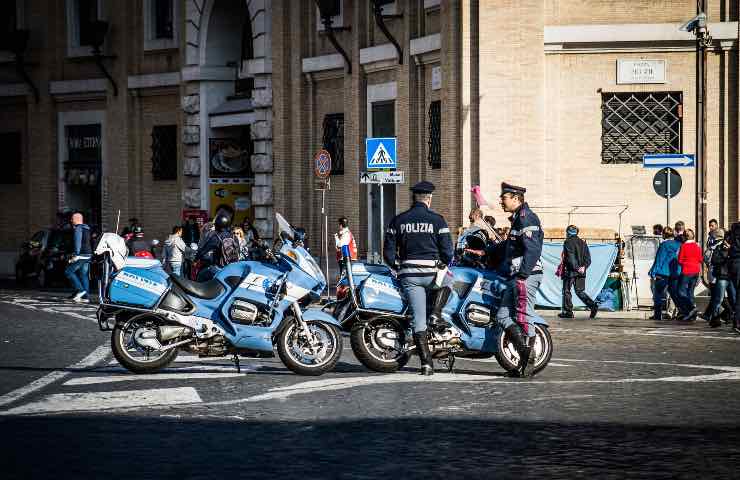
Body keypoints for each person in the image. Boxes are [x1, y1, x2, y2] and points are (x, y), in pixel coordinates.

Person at [384, 181, 453, 376]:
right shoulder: (438, 220)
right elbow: (448, 252)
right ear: (429, 199)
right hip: (432, 273)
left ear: (414, 197)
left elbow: (388, 253)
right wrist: (443, 262)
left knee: (418, 320)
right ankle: (437, 313)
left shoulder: (398, 220)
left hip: (409, 275)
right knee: (449, 281)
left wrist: (398, 266)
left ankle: (426, 364)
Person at [491, 183, 544, 378]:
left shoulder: (526, 218)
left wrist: (523, 273)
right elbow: (508, 246)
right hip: (516, 275)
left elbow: (533, 248)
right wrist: (485, 252)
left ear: (516, 198)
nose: (500, 201)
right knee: (503, 316)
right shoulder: (517, 220)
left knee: (523, 316)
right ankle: (524, 358)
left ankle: (528, 363)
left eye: (503, 198)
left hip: (525, 275)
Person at [558, 225, 599, 319]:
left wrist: (576, 268)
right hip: (581, 272)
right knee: (580, 291)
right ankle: (593, 306)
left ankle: (568, 312)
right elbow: (588, 259)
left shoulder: (568, 242)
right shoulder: (583, 243)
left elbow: (570, 257)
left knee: (566, 291)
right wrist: (584, 267)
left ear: (568, 232)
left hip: (570, 272)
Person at [702, 229, 736, 327]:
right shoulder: (719, 248)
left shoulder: (734, 248)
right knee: (719, 299)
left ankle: (732, 317)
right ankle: (715, 319)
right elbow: (715, 260)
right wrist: (725, 252)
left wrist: (730, 251)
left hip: (732, 276)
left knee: (733, 299)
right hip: (723, 276)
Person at [648, 227, 682, 320]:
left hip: (663, 273)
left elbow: (660, 259)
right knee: (674, 294)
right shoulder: (679, 244)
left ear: (664, 235)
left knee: (658, 294)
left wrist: (653, 272)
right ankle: (683, 312)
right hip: (675, 273)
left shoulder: (664, 245)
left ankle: (657, 315)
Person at [195, 215, 239, 280]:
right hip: (233, 267)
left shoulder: (217, 237)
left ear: (217, 225)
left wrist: (195, 260)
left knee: (201, 275)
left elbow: (203, 251)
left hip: (220, 268)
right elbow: (238, 251)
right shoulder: (234, 237)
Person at [64, 212, 92, 303]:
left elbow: (78, 242)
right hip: (88, 254)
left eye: (72, 219)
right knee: (83, 275)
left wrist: (76, 254)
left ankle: (80, 290)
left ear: (76, 219)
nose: (71, 220)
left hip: (81, 255)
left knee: (68, 272)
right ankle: (85, 297)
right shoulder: (87, 228)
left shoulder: (78, 228)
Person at [677, 228, 702, 321]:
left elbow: (680, 260)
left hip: (687, 271)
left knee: (680, 291)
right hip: (696, 271)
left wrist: (684, 262)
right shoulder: (697, 246)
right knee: (690, 292)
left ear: (685, 237)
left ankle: (691, 308)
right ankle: (692, 315)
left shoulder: (683, 246)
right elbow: (700, 259)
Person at [728, 222, 740, 332]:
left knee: (736, 295)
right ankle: (737, 322)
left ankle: (736, 321)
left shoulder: (732, 233)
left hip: (733, 264)